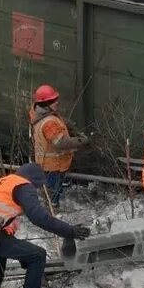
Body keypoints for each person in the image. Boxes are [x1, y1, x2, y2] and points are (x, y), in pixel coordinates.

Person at [0, 163, 89, 288]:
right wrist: (69, 231)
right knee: (37, 255)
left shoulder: (3, 182)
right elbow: (38, 217)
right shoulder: (23, 185)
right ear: (33, 180)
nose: (35, 189)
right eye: (36, 186)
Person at [29, 84, 89, 212]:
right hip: (53, 167)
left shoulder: (42, 114)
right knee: (52, 197)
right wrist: (81, 141)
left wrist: (68, 125)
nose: (57, 102)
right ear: (46, 103)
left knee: (53, 191)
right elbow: (61, 143)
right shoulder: (49, 123)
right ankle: (52, 215)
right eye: (53, 100)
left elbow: (60, 123)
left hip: (52, 165)